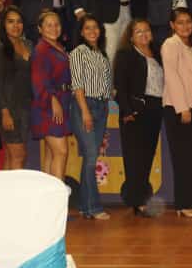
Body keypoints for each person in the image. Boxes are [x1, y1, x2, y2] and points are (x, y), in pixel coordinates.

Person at [114, 19, 163, 216]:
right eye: (138, 31)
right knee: (134, 157)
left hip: (155, 108)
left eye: (146, 30)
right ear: (131, 36)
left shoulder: (157, 53)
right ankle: (137, 201)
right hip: (134, 110)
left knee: (147, 155)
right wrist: (127, 111)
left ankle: (140, 198)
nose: (143, 34)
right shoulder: (126, 55)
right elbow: (120, 86)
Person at [161, 8, 192, 218]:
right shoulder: (170, 44)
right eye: (180, 22)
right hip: (178, 108)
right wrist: (183, 108)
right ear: (172, 25)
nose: (185, 26)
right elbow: (172, 77)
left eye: (188, 21)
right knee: (183, 159)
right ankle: (184, 204)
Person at [68, 14, 113, 220]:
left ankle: (85, 206)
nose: (92, 31)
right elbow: (77, 84)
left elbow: (107, 85)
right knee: (91, 156)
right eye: (87, 28)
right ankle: (94, 207)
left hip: (102, 106)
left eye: (95, 27)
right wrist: (85, 111)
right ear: (81, 32)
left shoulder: (101, 54)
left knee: (90, 158)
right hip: (84, 105)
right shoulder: (78, 52)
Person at [30, 11, 72, 180]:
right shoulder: (41, 50)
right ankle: (58, 194)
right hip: (48, 106)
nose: (54, 28)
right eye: (49, 25)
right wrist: (53, 100)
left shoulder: (58, 47)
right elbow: (39, 81)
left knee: (51, 153)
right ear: (40, 29)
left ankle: (48, 194)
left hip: (61, 101)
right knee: (61, 152)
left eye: (57, 24)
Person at [0, 6, 31, 170]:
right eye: (10, 22)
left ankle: (5, 187)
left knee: (11, 156)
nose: (16, 25)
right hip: (9, 109)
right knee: (18, 155)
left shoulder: (29, 44)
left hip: (26, 107)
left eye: (19, 21)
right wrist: (4, 112)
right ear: (3, 25)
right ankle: (15, 188)